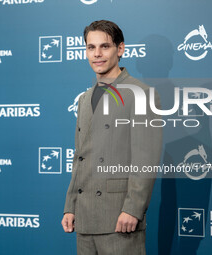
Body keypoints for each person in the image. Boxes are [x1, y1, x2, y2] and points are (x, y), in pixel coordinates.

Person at [61, 20, 163, 255]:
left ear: (120, 49)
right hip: (85, 220)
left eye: (104, 47)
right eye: (90, 47)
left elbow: (145, 158)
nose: (97, 54)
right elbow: (81, 158)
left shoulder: (141, 94)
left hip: (119, 218)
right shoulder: (85, 99)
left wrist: (133, 209)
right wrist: (70, 206)